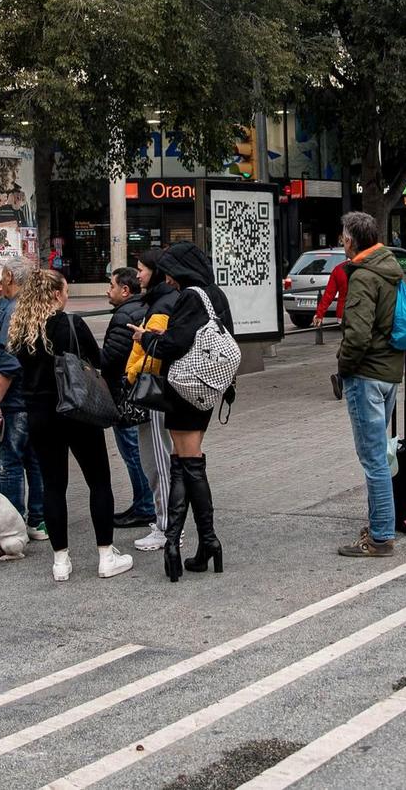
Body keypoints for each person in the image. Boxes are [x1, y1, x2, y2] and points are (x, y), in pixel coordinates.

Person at [5, 269, 135, 583]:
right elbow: (98, 361)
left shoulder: (22, 329)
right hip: (77, 410)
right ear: (56, 293)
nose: (67, 295)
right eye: (65, 290)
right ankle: (105, 555)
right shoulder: (70, 324)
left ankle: (60, 561)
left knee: (53, 486)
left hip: (40, 413)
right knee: (98, 481)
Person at [131, 243, 233, 580]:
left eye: (171, 271)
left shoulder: (190, 296)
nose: (168, 279)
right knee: (189, 462)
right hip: (206, 389)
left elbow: (175, 344)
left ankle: (175, 542)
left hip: (184, 389)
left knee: (185, 465)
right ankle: (207, 543)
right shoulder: (215, 295)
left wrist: (147, 339)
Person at [332, 211, 405, 557]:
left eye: (342, 237)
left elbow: (358, 335)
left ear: (350, 240)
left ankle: (380, 536)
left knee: (373, 457)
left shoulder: (363, 277)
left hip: (366, 374)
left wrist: (343, 367)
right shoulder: (389, 268)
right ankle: (381, 523)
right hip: (390, 370)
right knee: (380, 453)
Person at [0, 263, 46, 539]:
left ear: (8, 278)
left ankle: (13, 525)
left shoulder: (12, 310)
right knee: (33, 460)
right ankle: (37, 519)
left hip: (14, 401)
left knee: (9, 461)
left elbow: (8, 362)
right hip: (31, 397)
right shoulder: (33, 307)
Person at [125, 251, 176, 555]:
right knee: (159, 458)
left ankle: (167, 526)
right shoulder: (160, 300)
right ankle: (166, 521)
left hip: (155, 392)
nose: (138, 275)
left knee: (158, 460)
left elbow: (153, 354)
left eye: (141, 269)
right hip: (159, 391)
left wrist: (130, 375)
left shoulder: (161, 305)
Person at [100, 267, 158, 533]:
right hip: (137, 391)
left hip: (125, 394)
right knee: (137, 451)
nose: (107, 291)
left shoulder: (125, 314)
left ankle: (145, 506)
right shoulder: (141, 307)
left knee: (132, 453)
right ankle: (143, 503)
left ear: (125, 290)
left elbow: (111, 358)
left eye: (111, 286)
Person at [314, 257, 352, 325]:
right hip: (365, 313)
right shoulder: (367, 266)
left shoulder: (339, 269)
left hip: (343, 312)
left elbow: (329, 294)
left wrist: (319, 314)